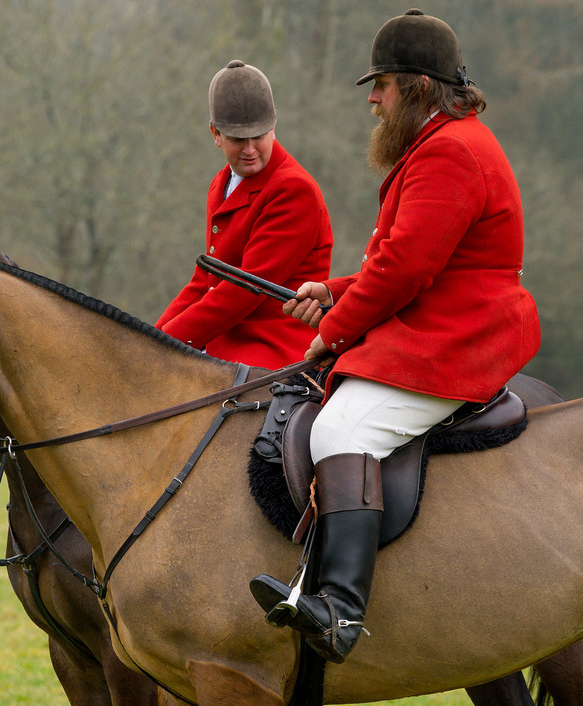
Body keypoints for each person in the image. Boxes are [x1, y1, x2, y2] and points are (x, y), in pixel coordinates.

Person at [249, 9, 541, 663]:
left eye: (379, 86)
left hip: (463, 334)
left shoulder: (452, 153)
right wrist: (339, 291)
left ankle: (341, 614)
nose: (373, 101)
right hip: (445, 317)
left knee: (340, 430)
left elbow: (409, 267)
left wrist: (334, 330)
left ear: (414, 86)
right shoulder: (444, 145)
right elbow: (408, 260)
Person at [155, 60, 333, 370]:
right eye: (238, 139)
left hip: (273, 345)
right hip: (225, 336)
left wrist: (165, 347)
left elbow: (244, 291)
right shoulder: (222, 183)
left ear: (273, 127)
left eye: (260, 136)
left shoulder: (293, 189)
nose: (250, 149)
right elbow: (205, 281)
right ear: (215, 134)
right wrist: (150, 339)